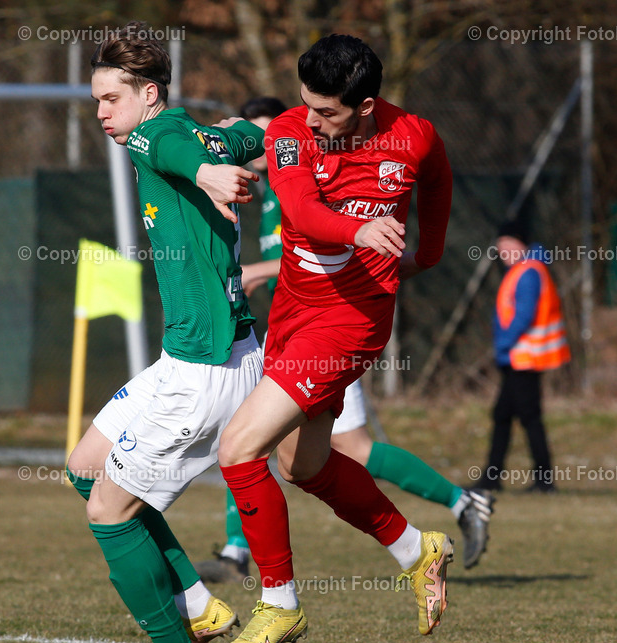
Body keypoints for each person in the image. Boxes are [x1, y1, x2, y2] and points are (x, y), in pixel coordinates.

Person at [215, 35, 458, 643]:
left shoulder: (414, 136)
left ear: (367, 105)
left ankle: (279, 604)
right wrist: (360, 227)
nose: (313, 121)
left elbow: (438, 178)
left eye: (327, 112)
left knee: (239, 448)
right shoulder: (293, 132)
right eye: (306, 105)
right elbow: (298, 208)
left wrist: (427, 254)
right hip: (296, 312)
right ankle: (417, 551)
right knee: (304, 465)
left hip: (349, 323)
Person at [195, 97, 493, 584]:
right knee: (295, 461)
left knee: (309, 446)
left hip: (334, 329)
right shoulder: (272, 189)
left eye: (266, 137)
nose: (263, 148)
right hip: (291, 329)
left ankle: (458, 502)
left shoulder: (324, 167)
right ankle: (418, 545)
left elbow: (325, 230)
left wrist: (415, 249)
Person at [64, 21, 267, 643]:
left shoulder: (157, 135)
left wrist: (212, 174)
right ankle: (197, 602)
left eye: (109, 100)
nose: (100, 115)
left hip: (206, 371)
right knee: (86, 467)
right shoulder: (192, 131)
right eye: (95, 101)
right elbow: (244, 134)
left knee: (109, 512)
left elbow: (183, 151)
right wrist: (269, 136)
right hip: (186, 358)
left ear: (148, 95)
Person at [472, 223, 571, 493]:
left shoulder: (528, 272)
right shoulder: (523, 270)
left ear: (522, 244)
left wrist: (503, 344)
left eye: (508, 243)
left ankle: (543, 481)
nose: (502, 249)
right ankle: (495, 477)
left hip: (524, 357)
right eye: (500, 244)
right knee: (504, 415)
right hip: (518, 357)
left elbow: (524, 316)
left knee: (528, 417)